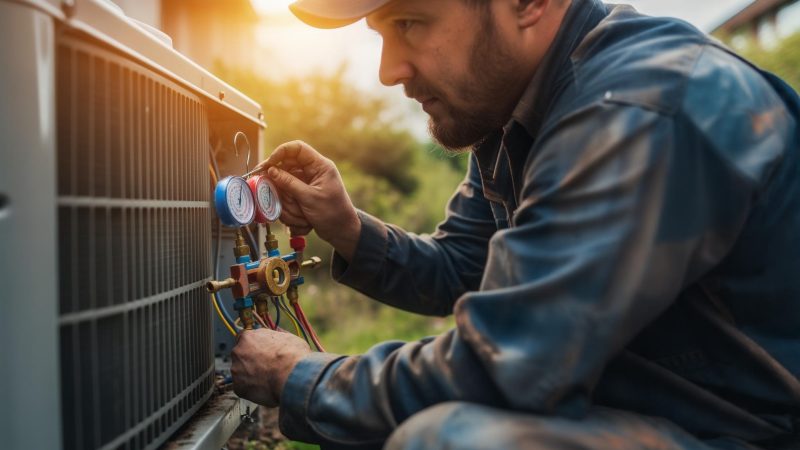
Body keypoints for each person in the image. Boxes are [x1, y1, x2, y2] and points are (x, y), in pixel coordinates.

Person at [231, 0, 800, 448]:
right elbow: (462, 266)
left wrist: (299, 376)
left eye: (411, 22)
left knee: (448, 441)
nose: (388, 71)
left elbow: (504, 370)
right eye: (382, 34)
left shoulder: (632, 111)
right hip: (642, 415)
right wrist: (347, 226)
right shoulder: (516, 111)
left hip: (744, 437)